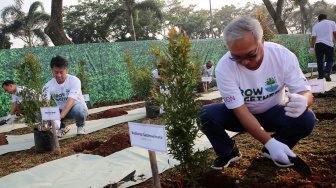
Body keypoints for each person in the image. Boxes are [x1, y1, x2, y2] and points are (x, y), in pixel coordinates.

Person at [200, 16, 316, 170]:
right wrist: (269, 141)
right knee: (205, 115)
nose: (245, 62)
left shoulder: (282, 56)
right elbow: (241, 112)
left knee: (306, 118)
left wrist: (304, 100)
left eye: (251, 55)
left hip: (273, 113)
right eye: (237, 57)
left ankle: (276, 148)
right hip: (239, 116)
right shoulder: (224, 67)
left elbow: (305, 92)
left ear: (262, 41)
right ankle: (228, 151)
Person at [43, 55, 88, 138]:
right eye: (56, 72)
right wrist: (48, 121)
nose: (59, 75)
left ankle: (80, 126)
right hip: (61, 110)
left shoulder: (74, 81)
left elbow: (70, 102)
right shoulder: (47, 86)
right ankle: (62, 127)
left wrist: (58, 118)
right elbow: (45, 103)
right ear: (52, 71)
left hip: (75, 108)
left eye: (61, 72)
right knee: (41, 113)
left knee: (78, 111)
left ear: (66, 70)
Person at [310, 13, 336, 82]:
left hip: (318, 45)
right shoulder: (332, 23)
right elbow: (334, 33)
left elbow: (313, 37)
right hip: (329, 44)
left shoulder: (315, 26)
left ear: (318, 19)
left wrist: (312, 47)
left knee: (319, 61)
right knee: (330, 60)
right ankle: (326, 72)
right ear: (326, 18)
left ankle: (320, 76)